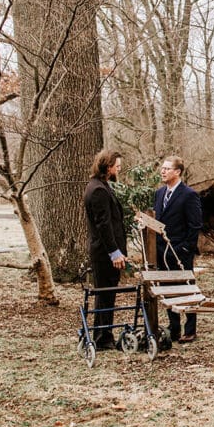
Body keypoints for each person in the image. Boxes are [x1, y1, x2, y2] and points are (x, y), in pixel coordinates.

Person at [154, 155, 203, 344]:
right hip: (161, 251)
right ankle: (174, 328)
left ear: (178, 172)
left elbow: (195, 225)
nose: (163, 171)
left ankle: (190, 330)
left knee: (187, 290)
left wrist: (184, 248)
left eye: (167, 168)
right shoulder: (159, 193)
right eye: (162, 168)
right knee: (167, 290)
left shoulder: (189, 194)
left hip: (181, 252)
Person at [83, 149, 126, 351]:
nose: (119, 170)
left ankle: (105, 334)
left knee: (107, 294)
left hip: (105, 251)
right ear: (108, 167)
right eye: (117, 166)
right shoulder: (98, 190)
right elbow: (103, 225)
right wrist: (114, 252)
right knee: (105, 294)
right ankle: (102, 337)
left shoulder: (100, 186)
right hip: (104, 253)